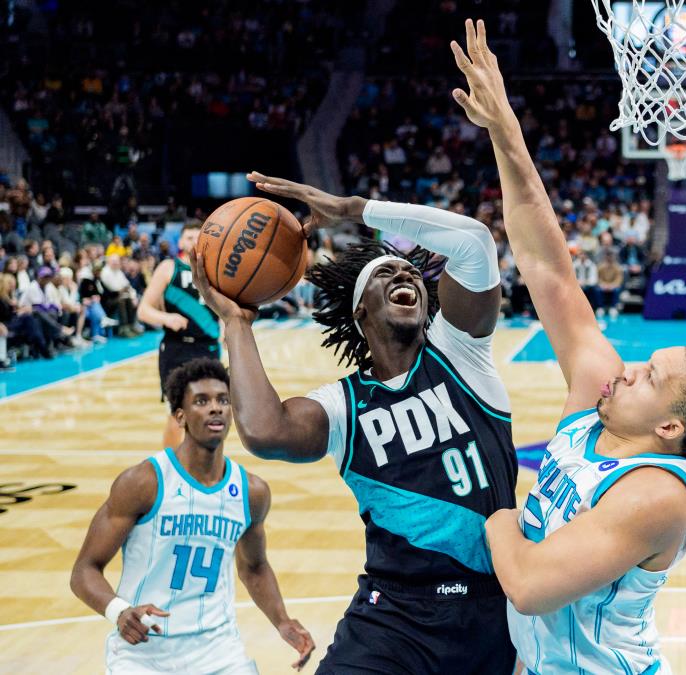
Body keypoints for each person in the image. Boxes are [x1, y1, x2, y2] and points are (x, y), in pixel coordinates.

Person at [450, 19, 686, 674]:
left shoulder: (657, 494)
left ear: (670, 427)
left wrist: (496, 515)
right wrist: (507, 133)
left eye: (650, 378)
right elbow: (548, 267)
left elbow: (530, 586)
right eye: (646, 364)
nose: (629, 370)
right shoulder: (597, 397)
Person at [189, 171, 519, 673]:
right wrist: (236, 323)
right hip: (393, 616)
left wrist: (355, 210)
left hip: (490, 607)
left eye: (410, 274)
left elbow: (474, 242)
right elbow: (263, 431)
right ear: (361, 310)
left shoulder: (462, 355)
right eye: (386, 275)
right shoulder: (343, 405)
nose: (404, 277)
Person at [70, 358, 315, 674]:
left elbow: (254, 568)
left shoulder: (251, 492)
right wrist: (118, 610)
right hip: (143, 652)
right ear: (180, 416)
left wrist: (282, 621)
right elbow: (84, 570)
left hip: (219, 651)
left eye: (223, 400)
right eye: (202, 401)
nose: (215, 409)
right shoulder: (143, 482)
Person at [138, 221, 221, 449]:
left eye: (198, 237)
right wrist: (166, 318)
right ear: (181, 242)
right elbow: (143, 310)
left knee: (209, 412)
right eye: (189, 237)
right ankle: (171, 462)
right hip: (177, 348)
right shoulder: (169, 267)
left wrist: (226, 330)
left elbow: (223, 307)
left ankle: (201, 459)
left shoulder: (215, 270)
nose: (194, 242)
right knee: (178, 413)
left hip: (208, 347)